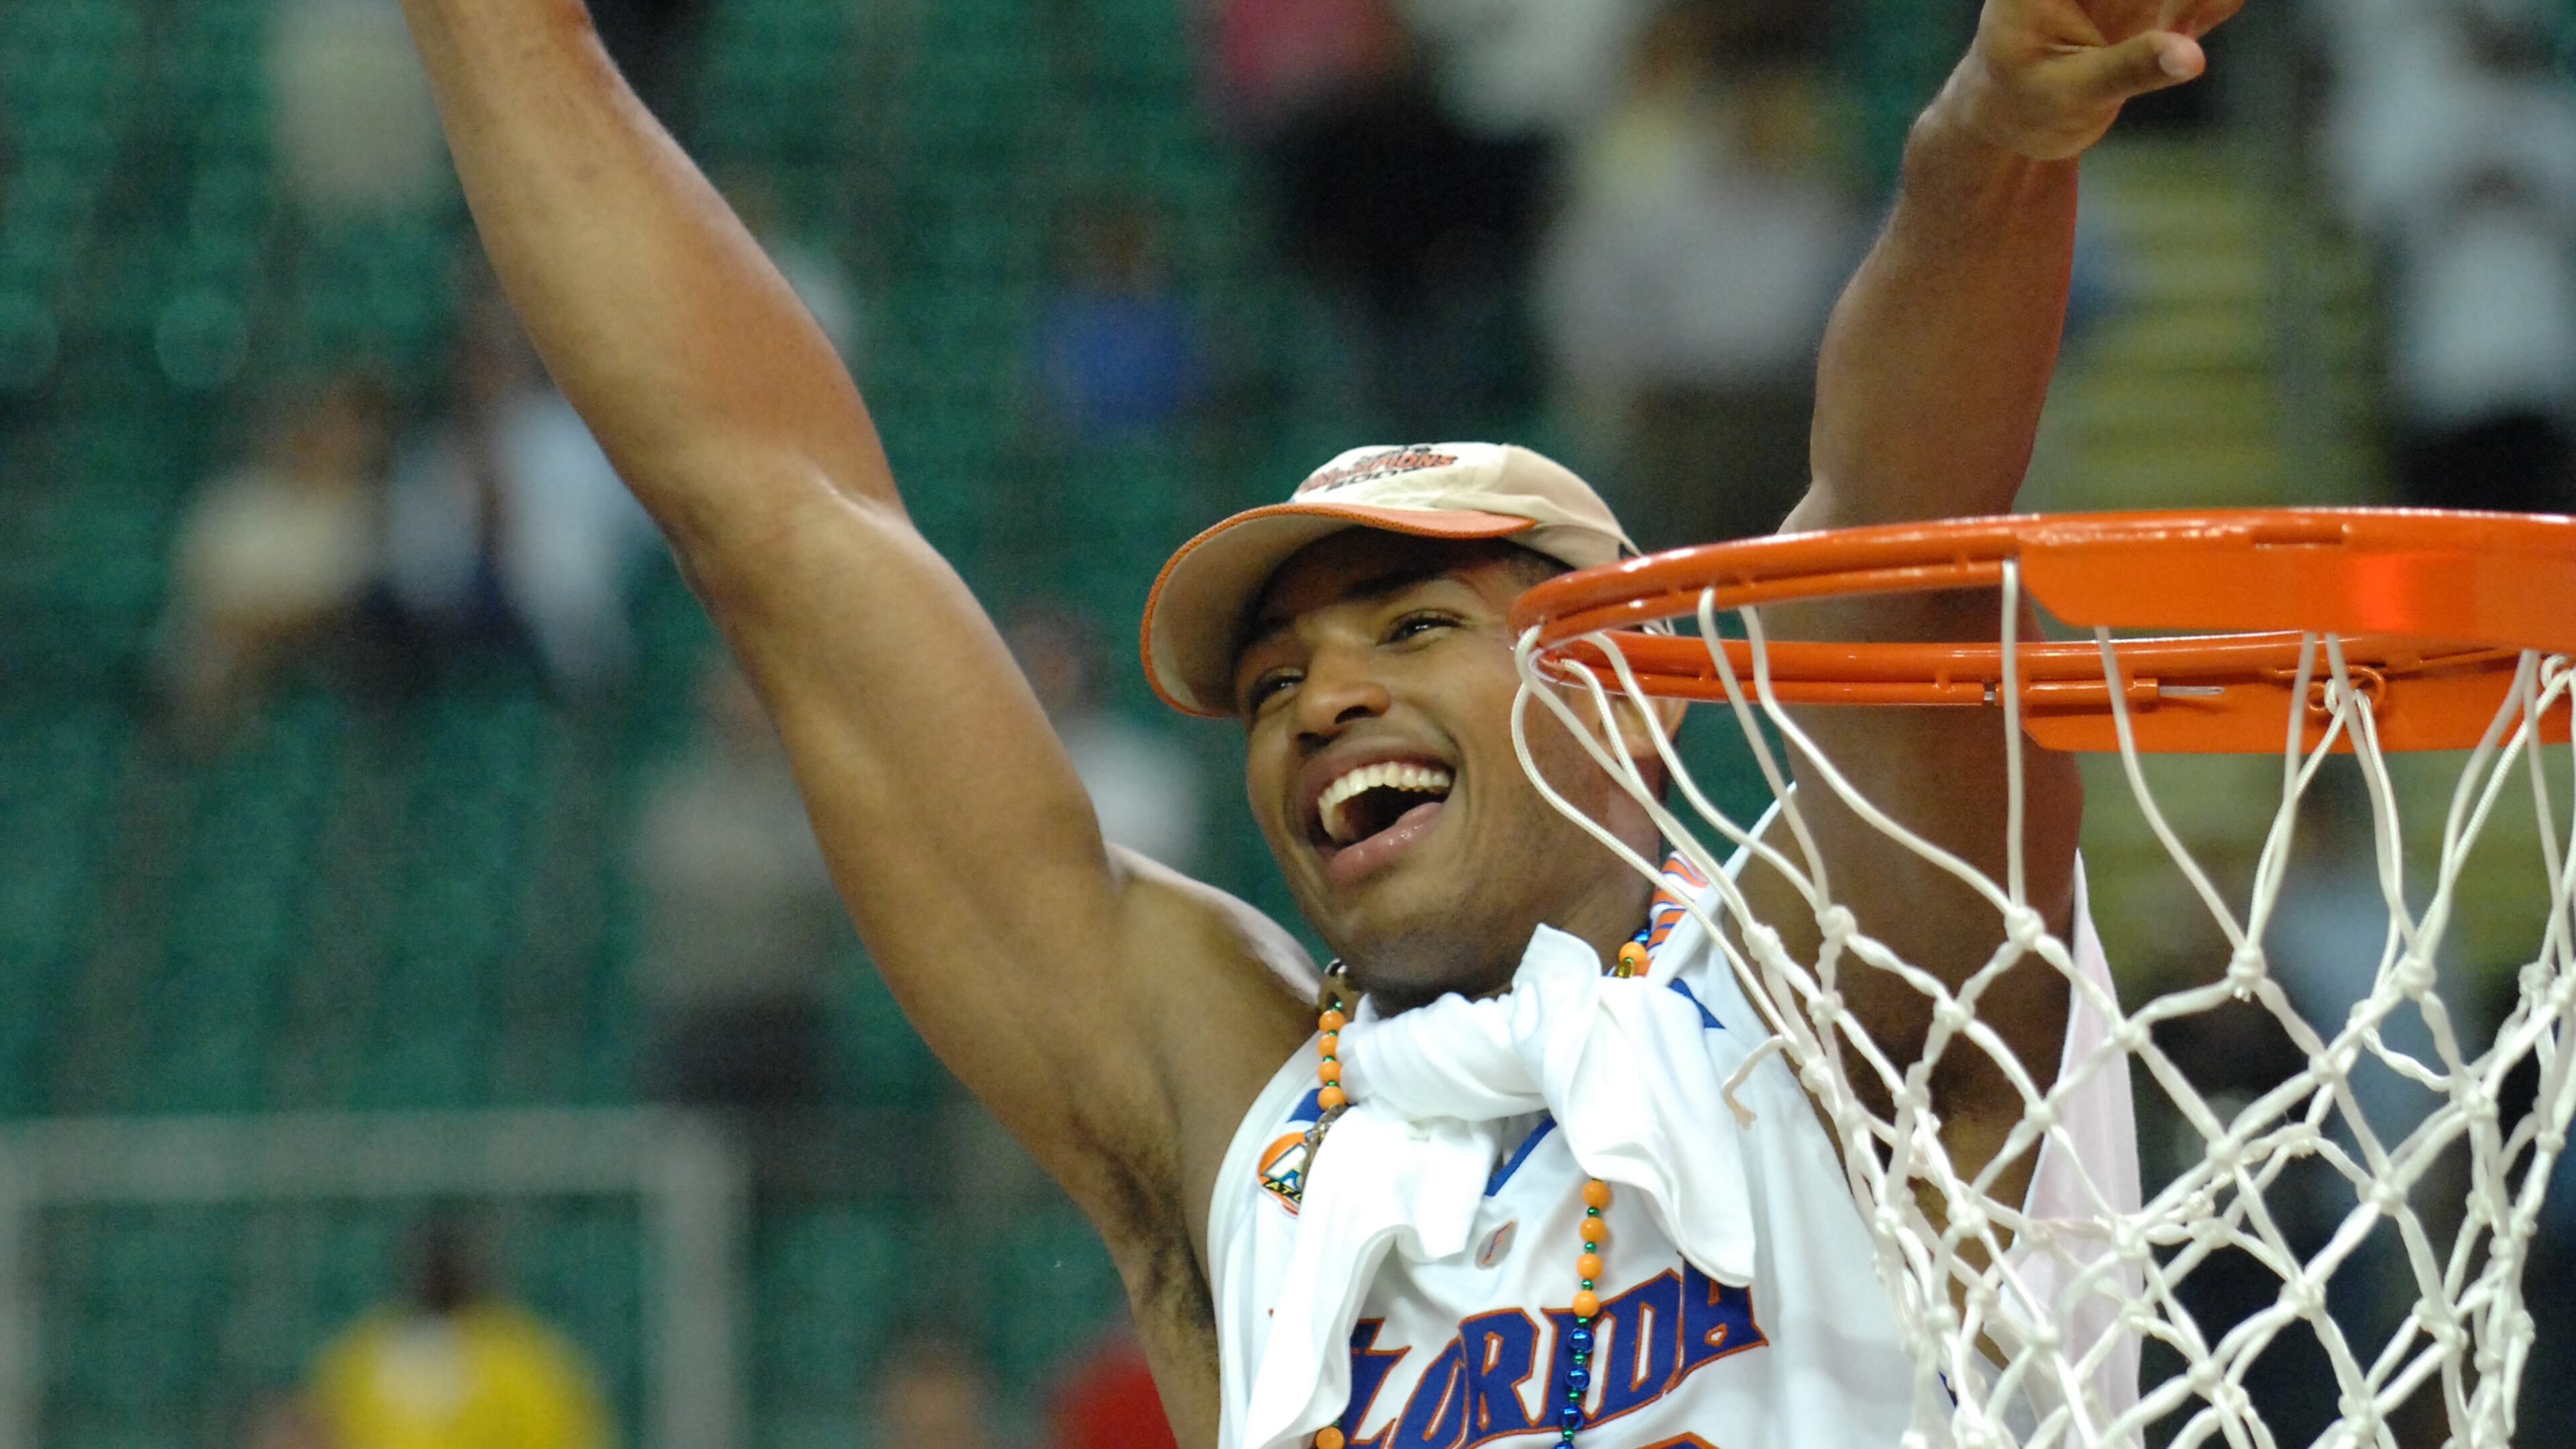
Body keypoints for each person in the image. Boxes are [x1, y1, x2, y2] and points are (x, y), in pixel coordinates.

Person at [389, 0, 2233, 1443]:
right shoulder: (1246, 1118)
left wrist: (1988, 141)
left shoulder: (1849, 989)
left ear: (1639, 699)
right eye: (1270, 684)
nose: (1322, 697)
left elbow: (1895, 542)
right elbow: (785, 523)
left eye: (1417, 623)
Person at [307, 1215, 610, 1449]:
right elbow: (324, 1429)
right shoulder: (363, 1355)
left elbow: (567, 1433)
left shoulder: (524, 1358)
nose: (438, 1276)